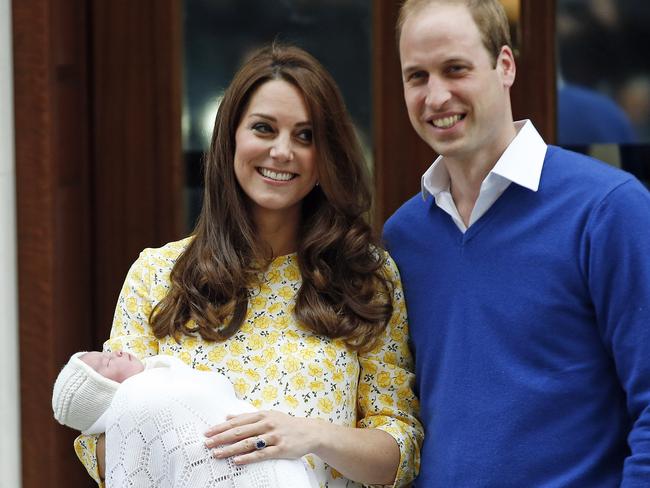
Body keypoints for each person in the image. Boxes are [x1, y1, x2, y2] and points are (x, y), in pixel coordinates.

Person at [73, 44, 422, 487]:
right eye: (263, 128)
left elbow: (401, 450)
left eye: (305, 135)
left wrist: (312, 436)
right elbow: (100, 441)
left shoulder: (364, 276)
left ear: (326, 156)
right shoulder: (157, 275)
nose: (281, 151)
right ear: (231, 137)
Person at [383, 0, 650, 486]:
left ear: (505, 65)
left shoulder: (609, 210)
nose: (436, 95)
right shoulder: (403, 237)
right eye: (416, 76)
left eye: (455, 69)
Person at [53, 350, 317, 487]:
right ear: (106, 394)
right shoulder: (141, 397)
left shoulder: (168, 377)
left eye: (106, 353)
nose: (116, 352)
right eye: (106, 364)